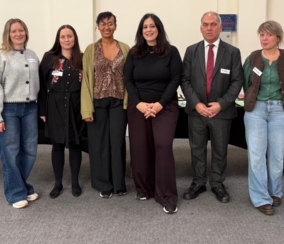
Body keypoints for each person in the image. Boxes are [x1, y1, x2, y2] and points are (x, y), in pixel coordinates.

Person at [181, 11, 243, 203]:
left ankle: (217, 183)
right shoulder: (191, 51)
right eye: (206, 24)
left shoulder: (232, 52)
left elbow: (237, 81)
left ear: (220, 27)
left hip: (221, 113)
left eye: (213, 24)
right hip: (197, 111)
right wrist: (197, 104)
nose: (209, 28)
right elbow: (185, 80)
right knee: (197, 148)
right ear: (201, 28)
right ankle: (198, 182)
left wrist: (221, 104)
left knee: (220, 150)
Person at [124, 13, 182, 214]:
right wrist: (139, 104)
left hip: (165, 106)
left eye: (152, 26)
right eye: (145, 27)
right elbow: (128, 80)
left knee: (163, 145)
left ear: (159, 29)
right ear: (141, 31)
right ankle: (144, 189)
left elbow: (175, 79)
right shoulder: (134, 53)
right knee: (140, 147)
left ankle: (167, 195)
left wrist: (159, 104)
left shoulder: (171, 52)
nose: (148, 30)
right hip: (139, 107)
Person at [242, 21, 284, 215]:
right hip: (256, 109)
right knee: (256, 155)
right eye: (262, 35)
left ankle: (275, 191)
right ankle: (260, 197)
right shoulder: (253, 57)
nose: (264, 39)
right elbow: (247, 83)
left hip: (280, 110)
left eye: (269, 35)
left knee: (277, 155)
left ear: (278, 37)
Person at [0, 18, 40, 209]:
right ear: (7, 35)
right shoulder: (0, 57)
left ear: (26, 32)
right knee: (10, 152)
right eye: (14, 31)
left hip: (30, 108)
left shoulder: (32, 55)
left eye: (21, 30)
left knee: (30, 150)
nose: (18, 34)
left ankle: (22, 186)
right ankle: (15, 193)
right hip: (9, 110)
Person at [81, 12, 129, 199]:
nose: (106, 27)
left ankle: (118, 183)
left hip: (119, 102)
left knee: (117, 142)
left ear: (115, 26)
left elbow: (129, 77)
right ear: (97, 26)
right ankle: (103, 184)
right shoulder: (91, 50)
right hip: (97, 102)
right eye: (103, 23)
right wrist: (86, 109)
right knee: (99, 143)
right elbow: (86, 80)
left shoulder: (125, 48)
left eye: (110, 23)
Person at [38, 25, 83, 198]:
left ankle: (75, 182)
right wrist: (42, 110)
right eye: (63, 36)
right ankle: (58, 183)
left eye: (69, 36)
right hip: (55, 106)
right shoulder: (49, 58)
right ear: (58, 39)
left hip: (75, 106)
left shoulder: (81, 58)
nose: (66, 40)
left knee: (75, 144)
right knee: (57, 145)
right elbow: (41, 85)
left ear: (74, 38)